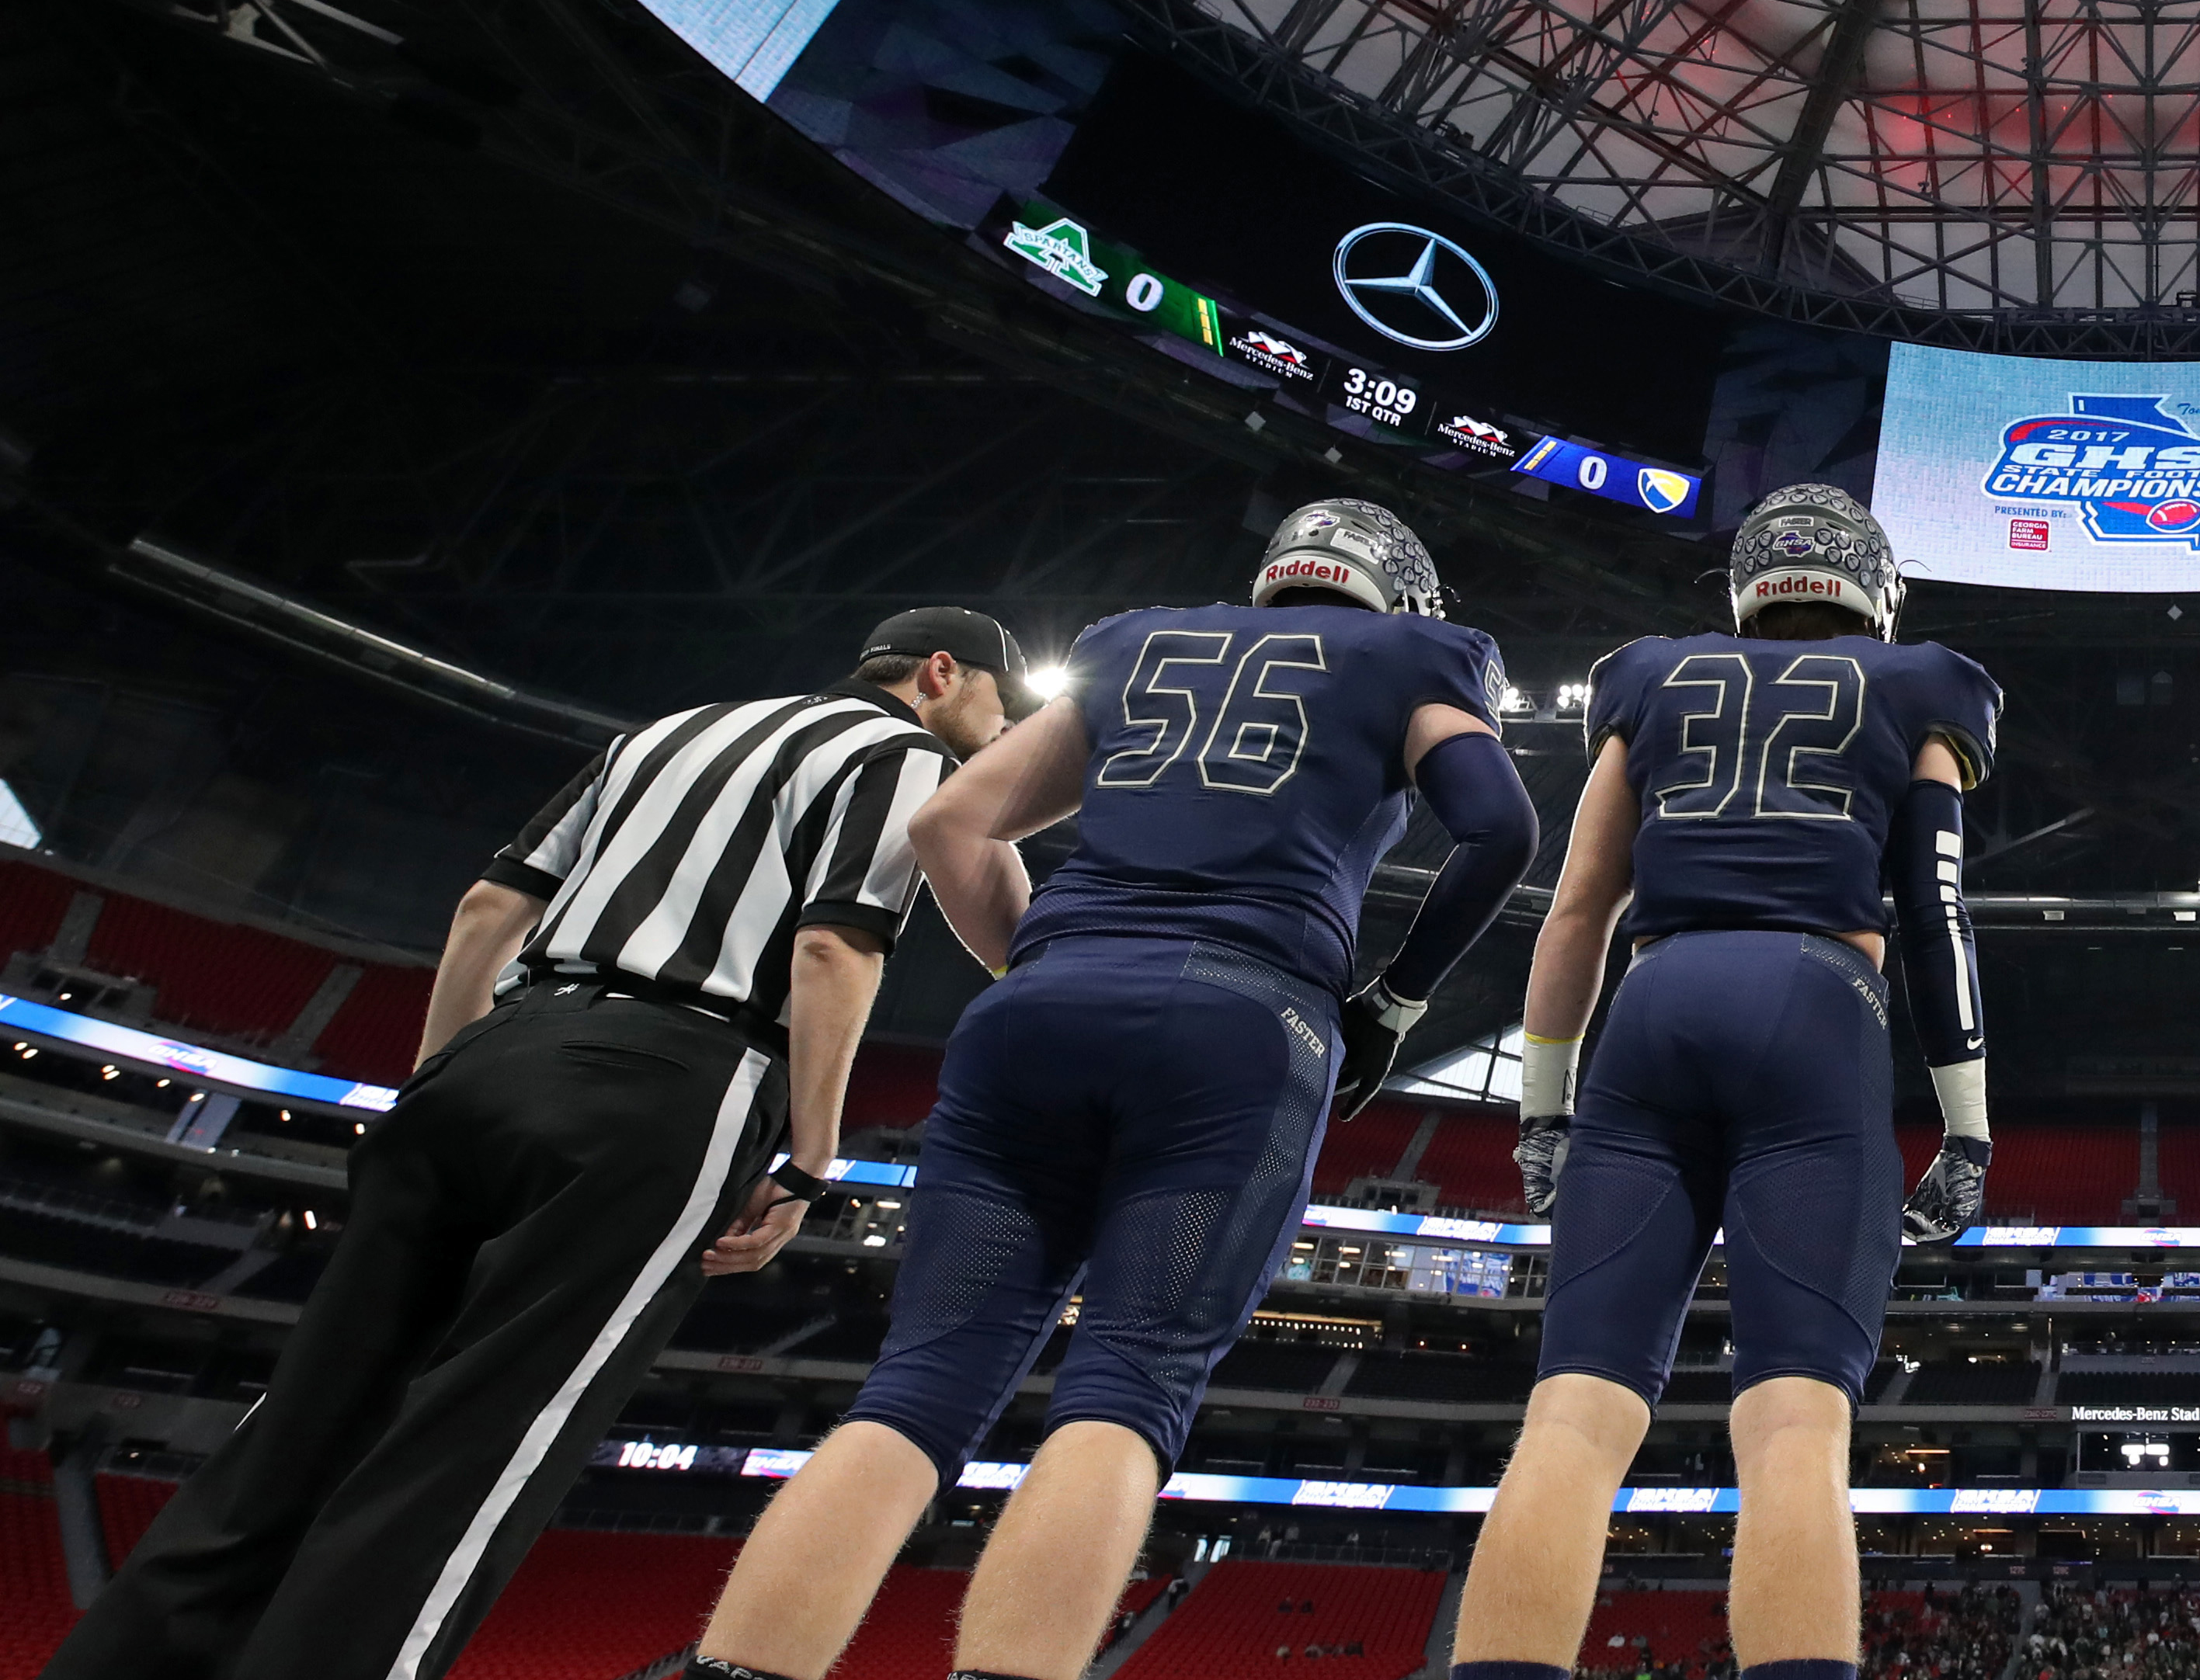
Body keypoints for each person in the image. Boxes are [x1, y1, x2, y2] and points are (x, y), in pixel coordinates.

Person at [48, 607, 1022, 1680]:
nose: (1002, 726)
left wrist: (437, 1076)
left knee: (297, 1426)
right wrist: (809, 1158)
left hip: (492, 1051)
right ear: (941, 672)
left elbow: (485, 905)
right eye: (998, 701)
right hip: (668, 1073)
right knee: (475, 1452)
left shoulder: (666, 731)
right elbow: (834, 944)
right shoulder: (905, 754)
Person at [690, 502, 1541, 1680]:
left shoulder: (1140, 641)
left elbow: (950, 820)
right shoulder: (1412, 655)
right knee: (1127, 1386)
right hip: (1243, 1016)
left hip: (1037, 1007)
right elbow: (1499, 829)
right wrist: (1393, 1001)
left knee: (916, 1389)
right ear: (1394, 595)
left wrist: (1034, 963)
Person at [1450, 482, 2002, 1680]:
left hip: (1652, 1006)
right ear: (1875, 588)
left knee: (1575, 1416)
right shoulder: (1918, 685)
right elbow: (1936, 910)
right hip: (1815, 1003)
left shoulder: (1651, 674)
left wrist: (1541, 1105)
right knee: (1796, 1422)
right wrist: (1967, 1127)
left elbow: (1579, 906)